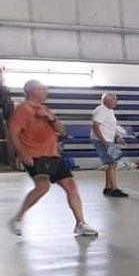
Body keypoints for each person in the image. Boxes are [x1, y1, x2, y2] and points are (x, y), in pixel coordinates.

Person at [7, 80, 98, 237]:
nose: (46, 91)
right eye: (43, 88)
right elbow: (13, 134)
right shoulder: (23, 109)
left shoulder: (45, 109)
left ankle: (81, 223)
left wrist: (51, 119)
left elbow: (62, 131)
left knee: (71, 186)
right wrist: (22, 153)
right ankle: (18, 218)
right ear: (32, 90)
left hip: (52, 155)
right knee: (43, 186)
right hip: (36, 155)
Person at [91, 92, 129, 198]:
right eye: (114, 99)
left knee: (113, 162)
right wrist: (103, 141)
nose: (117, 101)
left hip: (108, 140)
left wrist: (117, 137)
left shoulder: (110, 111)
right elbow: (96, 126)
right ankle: (114, 189)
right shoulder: (101, 110)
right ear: (106, 101)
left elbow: (111, 126)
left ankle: (108, 187)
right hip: (102, 140)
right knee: (112, 162)